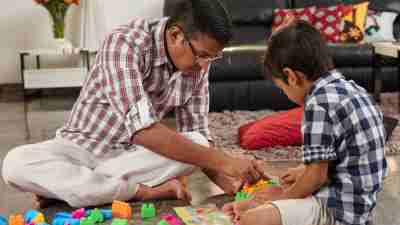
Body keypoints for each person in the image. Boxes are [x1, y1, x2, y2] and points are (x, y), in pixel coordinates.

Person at [2, 0, 265, 208]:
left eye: (212, 58)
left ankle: (74, 192)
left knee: (198, 142)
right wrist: (225, 161)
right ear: (175, 35)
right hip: (79, 150)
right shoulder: (125, 43)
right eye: (203, 56)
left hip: (128, 162)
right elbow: (142, 131)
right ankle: (142, 193)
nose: (205, 65)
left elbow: (199, 135)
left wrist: (231, 184)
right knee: (15, 164)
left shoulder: (198, 65)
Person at [223, 20, 388, 225]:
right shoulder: (355, 90)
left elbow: (316, 178)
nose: (285, 94)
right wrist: (303, 171)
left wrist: (281, 199)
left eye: (282, 88)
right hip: (361, 207)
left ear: (290, 76)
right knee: (268, 198)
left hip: (337, 211)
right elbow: (347, 156)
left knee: (252, 218)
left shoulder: (318, 105)